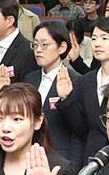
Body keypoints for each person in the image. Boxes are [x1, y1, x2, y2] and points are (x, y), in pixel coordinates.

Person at [60, 16, 109, 157]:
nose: (97, 44)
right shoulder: (86, 80)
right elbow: (80, 128)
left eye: (104, 38)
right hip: (92, 155)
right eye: (94, 39)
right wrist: (65, 98)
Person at [22, 20, 84, 166]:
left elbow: (79, 130)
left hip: (59, 157)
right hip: (29, 155)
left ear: (62, 47)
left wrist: (72, 167)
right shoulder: (30, 78)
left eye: (44, 45)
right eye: (35, 44)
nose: (38, 50)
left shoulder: (76, 81)